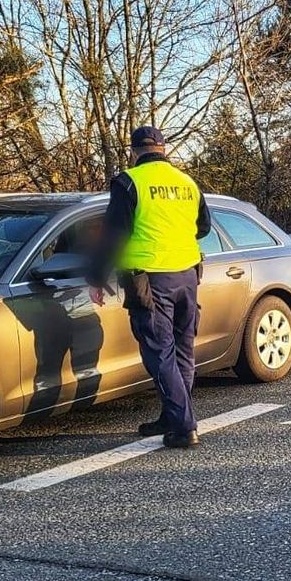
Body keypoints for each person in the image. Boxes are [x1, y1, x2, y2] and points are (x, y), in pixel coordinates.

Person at [87, 126, 211, 448]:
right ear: (163, 148)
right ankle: (172, 417)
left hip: (150, 280)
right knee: (182, 351)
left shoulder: (129, 182)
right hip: (187, 275)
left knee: (159, 353)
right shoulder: (187, 183)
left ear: (133, 151)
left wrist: (96, 277)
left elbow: (114, 236)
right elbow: (204, 227)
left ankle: (184, 427)